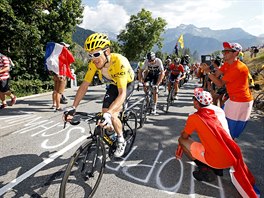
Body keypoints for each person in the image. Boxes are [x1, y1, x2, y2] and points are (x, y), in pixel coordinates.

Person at [178, 88, 260, 198]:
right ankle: (214, 167)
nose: (193, 101)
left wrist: (186, 131)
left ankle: (205, 168)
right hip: (232, 155)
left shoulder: (194, 117)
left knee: (182, 141)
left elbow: (184, 136)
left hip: (216, 159)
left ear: (197, 103)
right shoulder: (219, 111)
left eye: (194, 99)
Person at [64, 33, 135, 158]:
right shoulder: (93, 64)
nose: (93, 59)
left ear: (107, 52)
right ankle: (111, 131)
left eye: (96, 54)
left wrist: (110, 112)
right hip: (113, 84)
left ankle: (120, 139)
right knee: (104, 113)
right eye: (90, 55)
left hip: (126, 84)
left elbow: (122, 93)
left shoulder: (119, 62)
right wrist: (73, 107)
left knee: (112, 114)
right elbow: (84, 85)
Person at [201, 42, 253, 139]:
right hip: (233, 99)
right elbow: (216, 74)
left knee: (229, 132)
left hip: (240, 102)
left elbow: (220, 83)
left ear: (235, 53)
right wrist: (209, 69)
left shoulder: (238, 67)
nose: (224, 53)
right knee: (223, 125)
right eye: (223, 51)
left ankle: (228, 151)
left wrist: (208, 72)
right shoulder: (227, 64)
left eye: (227, 51)